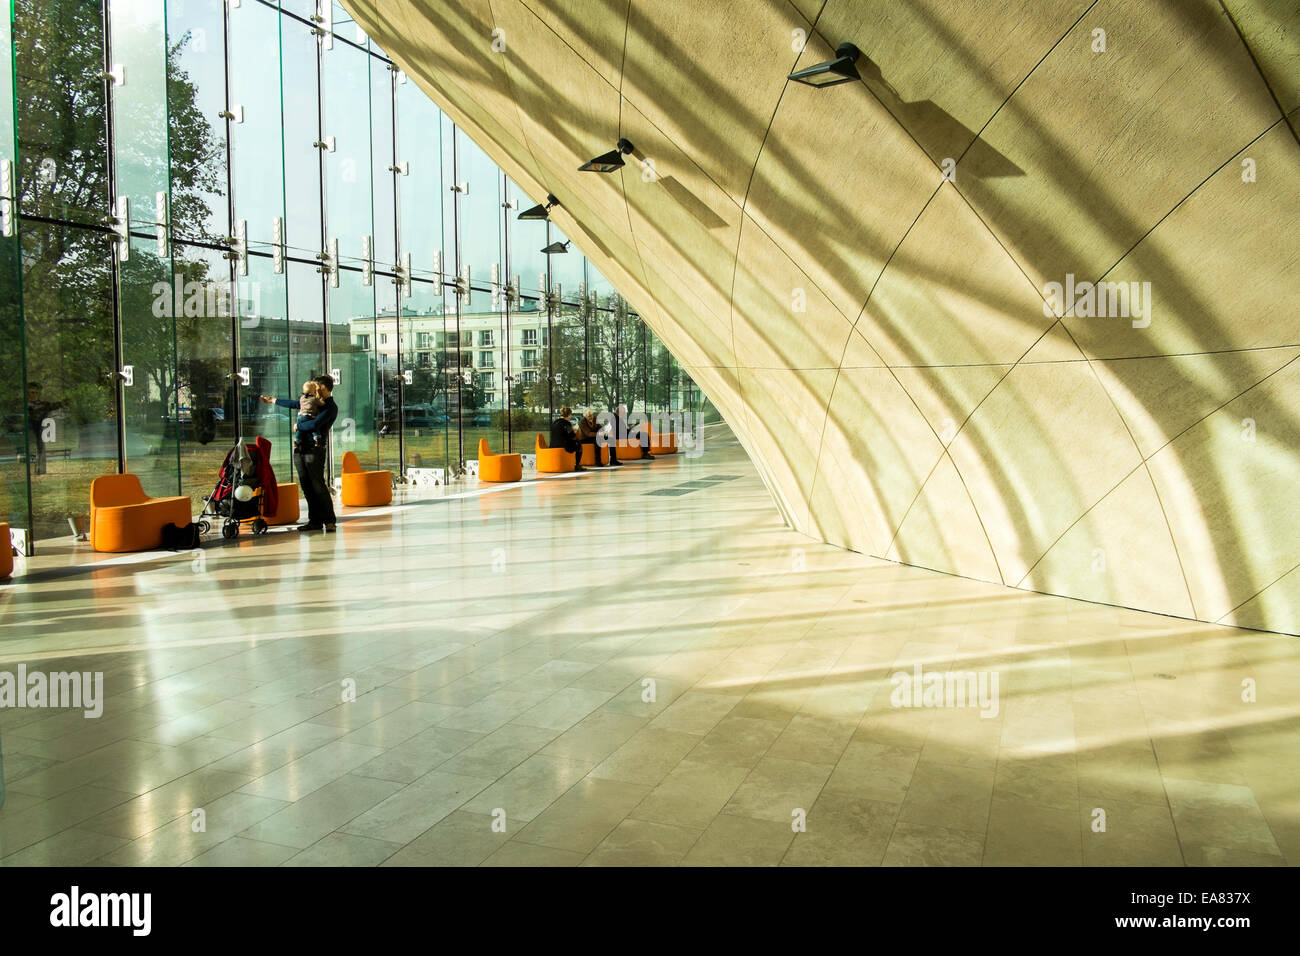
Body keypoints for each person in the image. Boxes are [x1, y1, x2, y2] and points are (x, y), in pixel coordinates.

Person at [260, 374, 338, 532]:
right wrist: (273, 400)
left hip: (314, 449)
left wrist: (298, 427)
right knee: (306, 485)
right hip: (300, 448)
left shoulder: (329, 406)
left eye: (315, 387)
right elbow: (296, 403)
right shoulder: (311, 400)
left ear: (322, 388)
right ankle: (314, 520)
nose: (313, 390)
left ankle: (329, 520)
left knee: (317, 484)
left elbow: (316, 424)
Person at [550, 405, 585, 472]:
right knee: (579, 445)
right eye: (570, 415)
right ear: (569, 415)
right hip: (563, 445)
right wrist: (575, 430)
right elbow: (572, 436)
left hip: (553, 445)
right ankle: (577, 465)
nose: (570, 416)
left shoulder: (555, 422)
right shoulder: (567, 423)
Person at [294, 380, 323, 452]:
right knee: (312, 427)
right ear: (313, 391)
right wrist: (320, 398)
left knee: (300, 430)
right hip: (309, 416)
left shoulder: (302, 398)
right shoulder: (313, 399)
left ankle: (297, 441)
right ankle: (317, 438)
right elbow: (321, 404)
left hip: (300, 416)